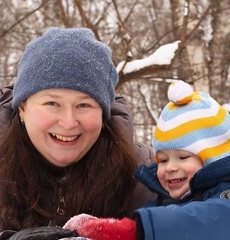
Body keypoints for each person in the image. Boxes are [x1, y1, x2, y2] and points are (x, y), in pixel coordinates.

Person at [0, 27, 156, 239]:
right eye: (52, 103)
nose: (68, 122)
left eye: (84, 105)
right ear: (22, 110)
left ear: (103, 116)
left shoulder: (146, 175)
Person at [64, 80, 230, 240]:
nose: (170, 167)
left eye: (183, 157)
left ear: (215, 157)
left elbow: (217, 220)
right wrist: (103, 229)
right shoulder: (160, 202)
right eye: (163, 160)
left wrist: (135, 230)